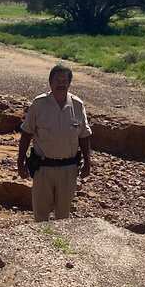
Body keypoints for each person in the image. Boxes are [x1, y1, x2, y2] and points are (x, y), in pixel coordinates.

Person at [17, 63, 93, 222]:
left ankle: (60, 246)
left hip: (69, 170)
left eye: (65, 80)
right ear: (50, 82)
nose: (61, 83)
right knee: (41, 215)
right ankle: (42, 245)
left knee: (63, 217)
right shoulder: (39, 104)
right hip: (43, 169)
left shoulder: (77, 105)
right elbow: (26, 133)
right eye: (57, 80)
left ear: (69, 83)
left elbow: (84, 136)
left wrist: (87, 162)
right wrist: (20, 161)